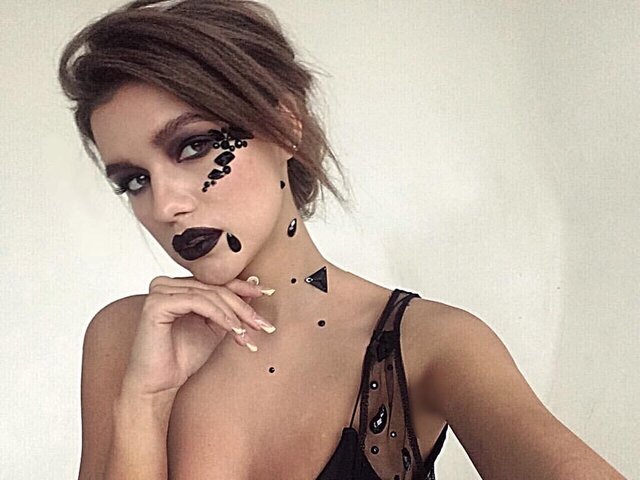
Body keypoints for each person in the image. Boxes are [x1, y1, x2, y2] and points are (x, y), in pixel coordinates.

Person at [58, 1, 625, 479]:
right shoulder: (128, 339)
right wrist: (145, 406)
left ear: (285, 125)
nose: (165, 205)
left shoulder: (430, 345)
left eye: (193, 147)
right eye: (134, 181)